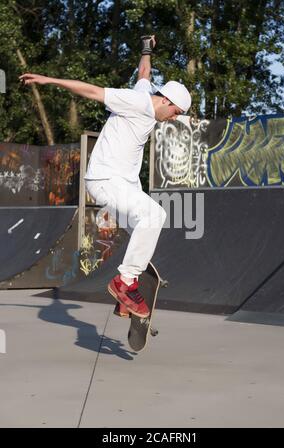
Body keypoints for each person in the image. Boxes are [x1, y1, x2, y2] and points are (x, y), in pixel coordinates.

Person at [19, 35, 191, 319]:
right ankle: (124, 283)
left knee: (142, 227)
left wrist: (146, 48)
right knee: (154, 216)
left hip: (123, 184)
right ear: (165, 100)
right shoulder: (136, 101)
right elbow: (93, 92)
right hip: (106, 181)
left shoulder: (145, 93)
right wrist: (49, 80)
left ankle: (125, 298)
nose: (174, 117)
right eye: (175, 111)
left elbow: (144, 72)